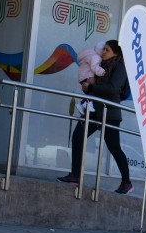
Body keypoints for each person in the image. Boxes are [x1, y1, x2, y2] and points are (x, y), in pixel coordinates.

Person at [57, 39, 132, 194]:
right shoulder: (100, 64)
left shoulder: (119, 67)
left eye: (107, 50)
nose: (103, 52)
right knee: (78, 137)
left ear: (116, 53)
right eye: (103, 49)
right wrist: (87, 85)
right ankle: (75, 175)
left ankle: (126, 182)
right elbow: (93, 86)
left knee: (114, 147)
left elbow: (113, 89)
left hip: (109, 113)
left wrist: (92, 86)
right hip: (92, 109)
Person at [73, 47, 105, 116]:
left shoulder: (89, 54)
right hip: (88, 77)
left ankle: (82, 104)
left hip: (83, 77)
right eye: (104, 50)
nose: (104, 52)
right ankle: (87, 104)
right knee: (94, 92)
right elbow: (94, 67)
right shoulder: (95, 57)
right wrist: (102, 72)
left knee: (90, 92)